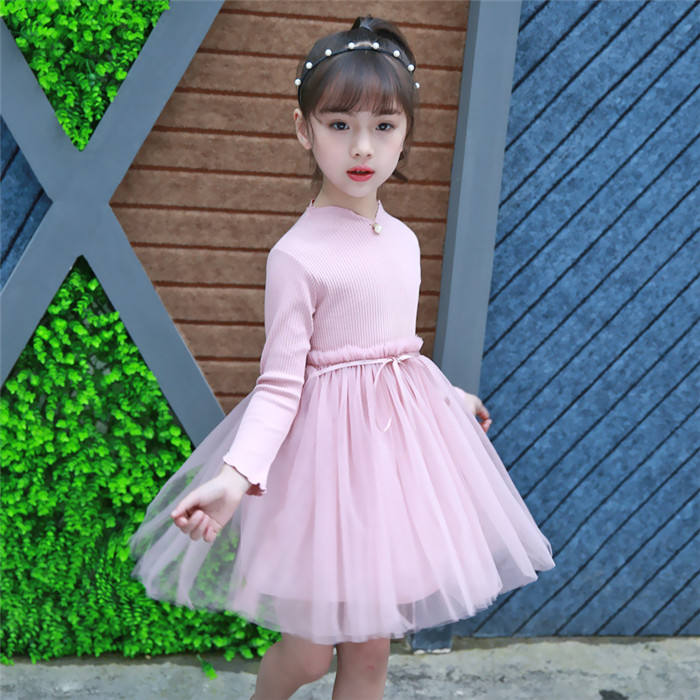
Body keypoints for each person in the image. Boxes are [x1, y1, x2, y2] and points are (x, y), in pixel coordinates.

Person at [128, 16, 555, 700]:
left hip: (390, 472)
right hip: (322, 476)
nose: (362, 146)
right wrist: (236, 477)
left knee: (371, 653)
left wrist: (449, 400)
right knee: (307, 654)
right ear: (304, 129)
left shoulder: (404, 241)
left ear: (406, 132)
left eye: (384, 126)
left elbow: (398, 352)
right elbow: (278, 387)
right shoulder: (297, 257)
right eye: (339, 124)